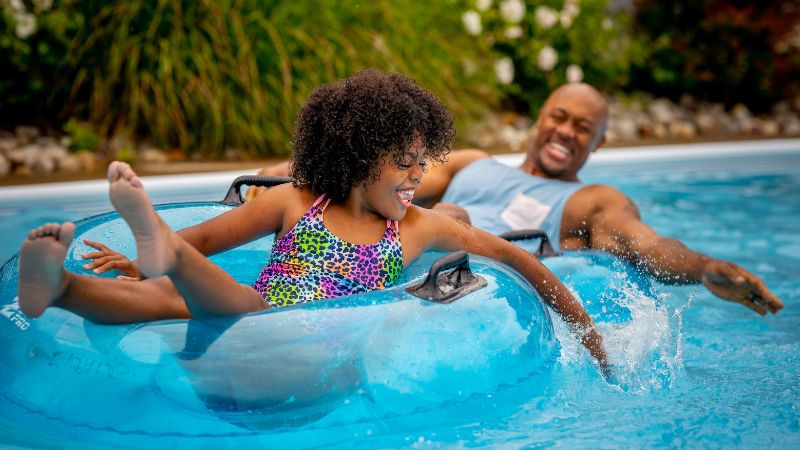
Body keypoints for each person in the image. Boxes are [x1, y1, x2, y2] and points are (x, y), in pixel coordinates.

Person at [18, 70, 610, 372]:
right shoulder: (294, 201)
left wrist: (588, 334)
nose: (415, 177)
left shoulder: (419, 228)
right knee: (173, 299)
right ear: (357, 155)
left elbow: (515, 257)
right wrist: (138, 262)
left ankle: (160, 255)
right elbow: (204, 238)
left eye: (420, 164)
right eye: (402, 163)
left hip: (321, 352)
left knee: (228, 300)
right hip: (250, 322)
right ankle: (61, 288)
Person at [242, 83, 784, 316]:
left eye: (584, 128)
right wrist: (278, 177)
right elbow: (369, 171)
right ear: (540, 118)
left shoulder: (593, 199)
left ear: (599, 144)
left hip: (470, 265)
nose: (566, 132)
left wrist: (703, 267)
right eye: (559, 117)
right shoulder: (472, 162)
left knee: (448, 215)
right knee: (441, 212)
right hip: (394, 252)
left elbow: (646, 245)